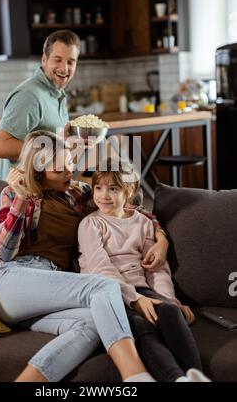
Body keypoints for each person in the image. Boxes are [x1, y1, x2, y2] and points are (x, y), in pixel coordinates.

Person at [0, 130, 169, 383]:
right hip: (14, 281)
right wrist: (21, 200)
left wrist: (161, 238)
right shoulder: (15, 194)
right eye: (59, 170)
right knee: (104, 286)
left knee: (95, 322)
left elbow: (129, 206)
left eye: (70, 165)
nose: (69, 174)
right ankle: (136, 376)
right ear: (39, 171)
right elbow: (4, 253)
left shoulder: (77, 194)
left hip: (53, 289)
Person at [78, 159, 210, 383]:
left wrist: (170, 299)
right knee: (140, 325)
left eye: (113, 188)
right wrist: (136, 299)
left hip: (141, 288)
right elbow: (101, 268)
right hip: (108, 292)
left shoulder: (142, 223)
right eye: (98, 188)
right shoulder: (91, 224)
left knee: (168, 311)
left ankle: (196, 375)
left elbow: (156, 269)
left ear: (129, 191)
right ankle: (177, 379)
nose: (103, 195)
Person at [0, 30, 80, 180]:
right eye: (57, 60)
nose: (64, 68)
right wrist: (52, 147)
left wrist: (65, 142)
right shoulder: (29, 95)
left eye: (70, 61)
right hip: (17, 196)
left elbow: (52, 143)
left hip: (41, 194)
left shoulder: (57, 93)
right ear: (44, 60)